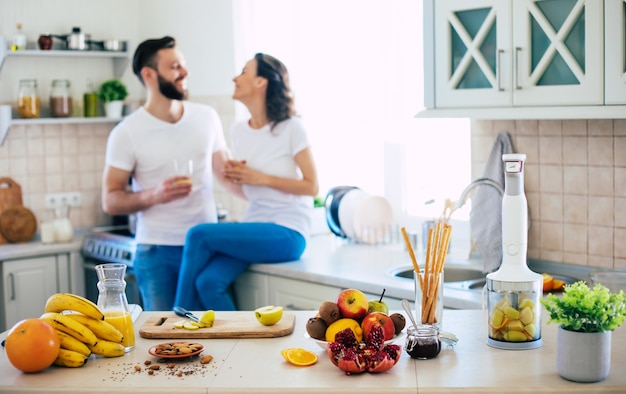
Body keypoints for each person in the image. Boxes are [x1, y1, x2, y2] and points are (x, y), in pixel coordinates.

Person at [174, 53, 319, 311]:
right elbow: (249, 192)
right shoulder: (239, 131)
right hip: (256, 224)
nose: (234, 77)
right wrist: (233, 175)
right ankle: (237, 344)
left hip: (288, 231)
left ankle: (176, 319)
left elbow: (311, 187)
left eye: (243, 71)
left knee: (198, 234)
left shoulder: (292, 127)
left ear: (261, 82)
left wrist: (260, 178)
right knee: (208, 282)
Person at [102, 36, 236, 311]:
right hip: (156, 252)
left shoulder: (207, 117)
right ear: (149, 74)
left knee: (214, 337)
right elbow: (111, 199)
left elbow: (226, 173)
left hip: (206, 247)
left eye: (183, 65)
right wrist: (155, 195)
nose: (184, 73)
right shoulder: (126, 132)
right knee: (166, 342)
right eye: (175, 66)